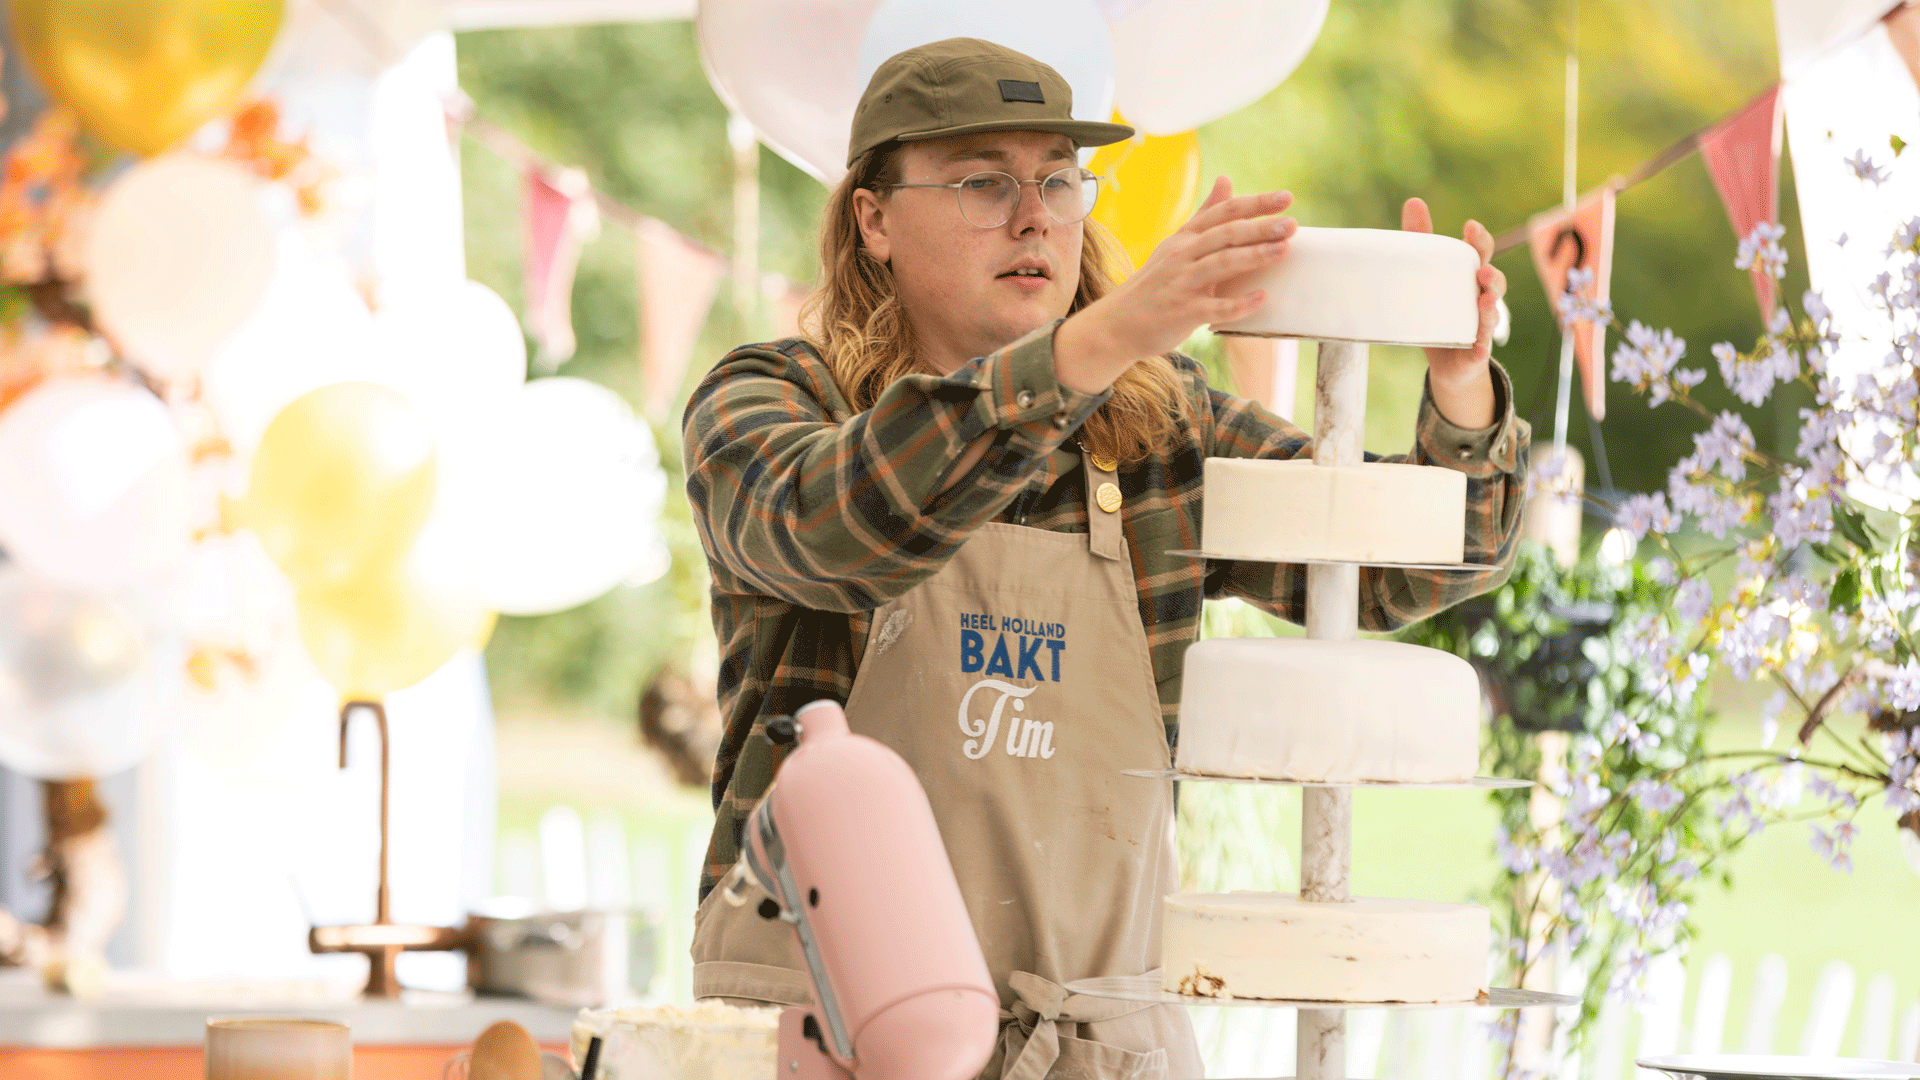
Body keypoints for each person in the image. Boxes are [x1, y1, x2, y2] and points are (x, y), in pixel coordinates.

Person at [683, 37, 1530, 1079]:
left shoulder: (1159, 428)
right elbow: (839, 530)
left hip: (1096, 1047)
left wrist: (1461, 391)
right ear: (874, 217)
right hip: (836, 1035)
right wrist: (1103, 339)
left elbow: (1402, 570)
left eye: (1057, 178)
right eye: (985, 181)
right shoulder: (770, 401)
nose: (1035, 215)